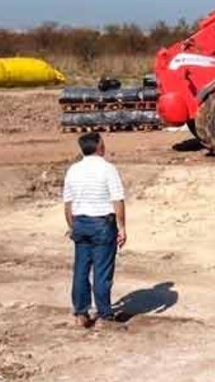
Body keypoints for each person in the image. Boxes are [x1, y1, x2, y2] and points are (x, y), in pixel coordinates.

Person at [62, 131, 127, 328]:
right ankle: (104, 315)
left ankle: (80, 313)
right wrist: (122, 227)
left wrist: (71, 226)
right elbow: (117, 200)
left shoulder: (73, 170)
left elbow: (68, 203)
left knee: (81, 270)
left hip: (80, 223)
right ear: (99, 147)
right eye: (103, 143)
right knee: (102, 271)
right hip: (102, 224)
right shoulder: (108, 169)